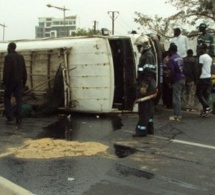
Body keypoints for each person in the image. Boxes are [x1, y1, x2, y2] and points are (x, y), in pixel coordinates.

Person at [133, 34, 157, 137]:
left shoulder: (148, 56)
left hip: (146, 87)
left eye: (139, 46)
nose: (138, 48)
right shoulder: (147, 55)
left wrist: (144, 86)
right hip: (149, 86)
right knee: (149, 109)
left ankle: (141, 131)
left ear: (144, 45)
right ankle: (149, 129)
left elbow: (149, 73)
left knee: (144, 110)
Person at [3, 42, 27, 124]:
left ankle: (10, 116)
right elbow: (24, 70)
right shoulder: (21, 57)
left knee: (6, 98)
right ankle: (19, 117)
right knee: (19, 100)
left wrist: (5, 83)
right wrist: (24, 82)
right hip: (19, 82)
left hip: (10, 82)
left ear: (9, 48)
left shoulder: (8, 57)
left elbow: (7, 71)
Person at [167, 43, 185, 121]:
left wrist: (169, 81)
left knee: (176, 98)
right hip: (183, 78)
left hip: (177, 79)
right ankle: (178, 114)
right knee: (179, 98)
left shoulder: (171, 59)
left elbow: (171, 71)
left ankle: (177, 115)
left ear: (170, 51)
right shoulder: (180, 57)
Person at [196, 43, 212, 117]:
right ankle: (205, 111)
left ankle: (207, 107)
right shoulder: (209, 57)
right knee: (204, 94)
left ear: (204, 49)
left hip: (202, 77)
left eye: (201, 48)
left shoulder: (201, 57)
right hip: (208, 77)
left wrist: (197, 78)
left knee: (198, 93)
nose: (200, 50)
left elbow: (199, 68)